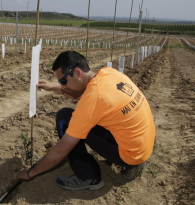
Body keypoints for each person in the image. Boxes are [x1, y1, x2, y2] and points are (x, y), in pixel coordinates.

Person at [16, 50, 155, 191]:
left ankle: (88, 177)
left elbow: (61, 151)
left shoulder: (94, 98)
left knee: (64, 118)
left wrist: (30, 173)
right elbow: (80, 93)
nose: (63, 85)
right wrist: (53, 87)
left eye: (63, 81)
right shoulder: (108, 73)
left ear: (77, 72)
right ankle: (134, 162)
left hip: (131, 155)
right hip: (143, 146)